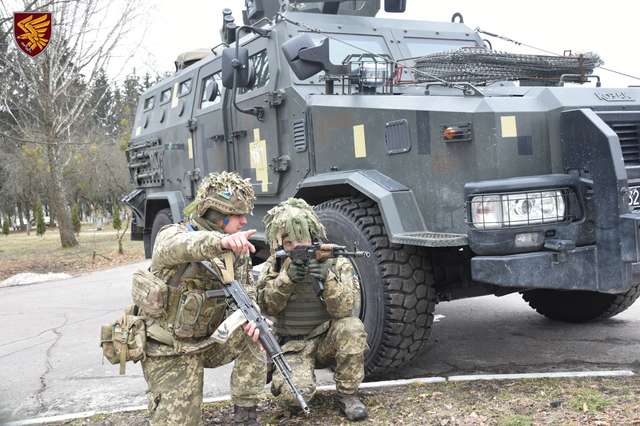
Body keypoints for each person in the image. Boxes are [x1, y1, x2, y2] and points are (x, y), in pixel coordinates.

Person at [140, 171, 267, 426]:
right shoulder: (172, 235)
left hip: (209, 341)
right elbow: (180, 246)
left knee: (258, 332)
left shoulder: (236, 250)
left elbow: (246, 290)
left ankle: (246, 414)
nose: (244, 221)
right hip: (171, 349)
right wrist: (221, 242)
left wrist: (253, 317)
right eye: (237, 215)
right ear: (217, 217)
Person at [256, 198, 369, 421]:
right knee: (295, 397)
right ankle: (283, 376)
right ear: (280, 244)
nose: (297, 247)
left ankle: (348, 395)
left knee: (352, 327)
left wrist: (327, 278)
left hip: (326, 340)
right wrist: (286, 280)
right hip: (293, 344)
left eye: (302, 239)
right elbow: (266, 307)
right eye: (289, 243)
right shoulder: (275, 265)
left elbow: (344, 310)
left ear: (312, 236)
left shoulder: (335, 263)